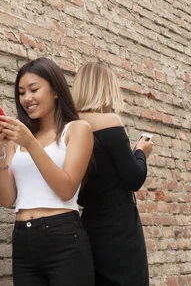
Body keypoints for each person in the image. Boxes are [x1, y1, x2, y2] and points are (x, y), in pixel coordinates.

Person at [0, 58, 95, 286]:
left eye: (34, 89)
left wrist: (30, 142)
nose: (27, 98)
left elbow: (66, 189)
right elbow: (7, 199)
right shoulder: (18, 140)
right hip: (23, 238)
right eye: (21, 92)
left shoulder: (76, 129)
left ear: (55, 91)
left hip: (63, 237)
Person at [72, 62, 154, 286]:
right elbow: (134, 178)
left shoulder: (70, 126)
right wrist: (140, 152)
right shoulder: (110, 122)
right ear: (106, 89)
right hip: (119, 228)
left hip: (89, 224)